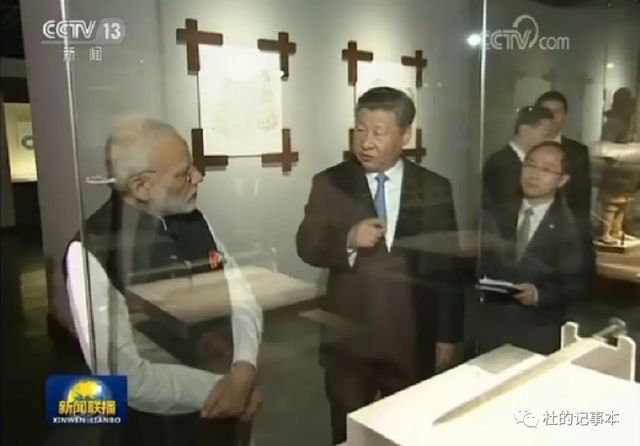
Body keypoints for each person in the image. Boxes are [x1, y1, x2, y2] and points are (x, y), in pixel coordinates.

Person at [63, 118, 263, 445]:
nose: (198, 177)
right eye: (184, 173)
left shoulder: (194, 219)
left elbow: (243, 298)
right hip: (155, 431)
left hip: (226, 415)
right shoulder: (90, 251)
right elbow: (126, 376)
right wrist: (227, 388)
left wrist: (244, 369)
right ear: (142, 187)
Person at [296, 87, 463, 444]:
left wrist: (448, 335)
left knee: (406, 431)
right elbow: (306, 245)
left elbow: (448, 270)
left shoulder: (435, 187)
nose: (366, 142)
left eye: (378, 132)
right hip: (348, 342)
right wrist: (347, 238)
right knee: (348, 434)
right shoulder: (330, 182)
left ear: (405, 135)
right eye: (360, 130)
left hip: (410, 340)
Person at [478, 141, 592, 355]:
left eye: (546, 170)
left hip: (539, 334)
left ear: (563, 180)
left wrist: (539, 294)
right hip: (490, 330)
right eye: (530, 165)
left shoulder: (572, 226)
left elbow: (579, 283)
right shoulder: (496, 213)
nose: (534, 175)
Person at [534, 91, 592, 225]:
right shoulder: (526, 146)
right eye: (546, 112)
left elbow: (582, 200)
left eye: (557, 112)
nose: (551, 116)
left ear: (565, 116)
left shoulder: (578, 152)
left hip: (566, 226)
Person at [482, 105, 553, 210]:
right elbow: (507, 208)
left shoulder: (522, 161)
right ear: (524, 129)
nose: (548, 140)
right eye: (545, 133)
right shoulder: (502, 164)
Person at [598, 87, 639, 243]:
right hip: (614, 170)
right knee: (611, 204)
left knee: (622, 204)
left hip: (624, 171)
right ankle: (606, 233)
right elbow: (607, 148)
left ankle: (617, 231)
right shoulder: (613, 124)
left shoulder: (624, 123)